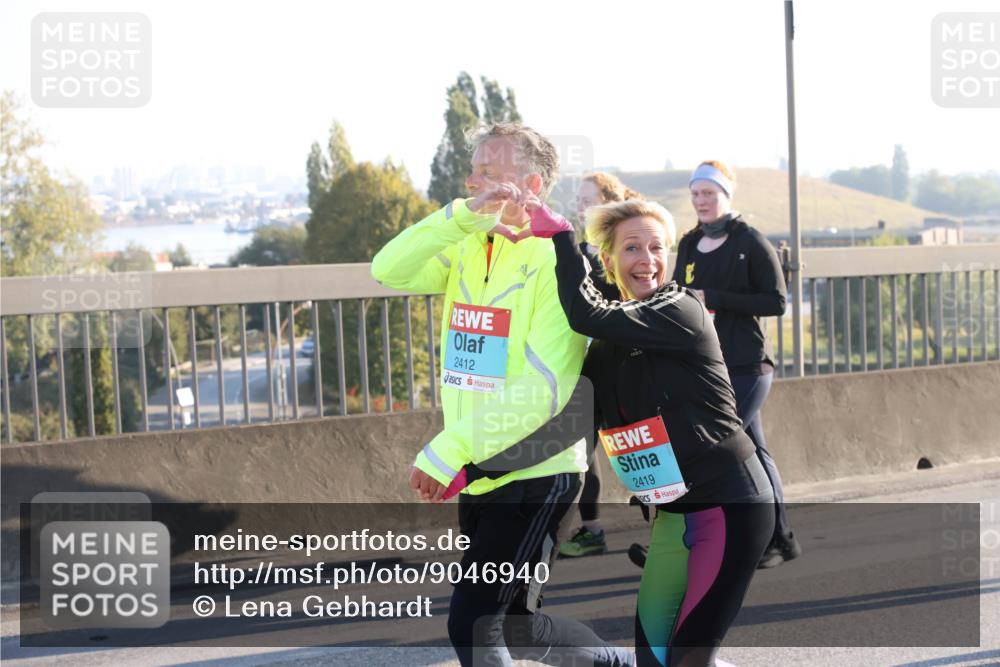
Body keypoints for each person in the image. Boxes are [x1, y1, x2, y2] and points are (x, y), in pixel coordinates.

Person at [370, 123, 632, 667]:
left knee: (474, 623)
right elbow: (388, 269)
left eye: (488, 171)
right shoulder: (470, 243)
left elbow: (543, 387)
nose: (472, 181)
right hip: (482, 464)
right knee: (517, 628)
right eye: (473, 170)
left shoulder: (558, 263)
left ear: (531, 184)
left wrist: (447, 450)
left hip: (536, 467)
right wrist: (461, 216)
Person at [491, 195, 775, 666]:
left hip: (730, 506)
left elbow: (585, 314)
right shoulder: (606, 347)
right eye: (631, 248)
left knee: (685, 660)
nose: (647, 260)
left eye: (657, 247)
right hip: (671, 517)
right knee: (654, 660)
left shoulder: (679, 308)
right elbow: (572, 427)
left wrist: (560, 235)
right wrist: (478, 469)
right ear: (608, 261)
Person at [673, 160, 801, 569]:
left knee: (712, 448)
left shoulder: (751, 241)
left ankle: (693, 542)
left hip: (747, 366)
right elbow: (677, 292)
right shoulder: (690, 243)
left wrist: (714, 297)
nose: (701, 201)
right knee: (755, 452)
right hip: (707, 367)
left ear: (726, 195)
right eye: (696, 193)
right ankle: (780, 540)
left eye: (709, 193)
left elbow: (776, 302)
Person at [559, 172, 639, 558]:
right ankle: (591, 530)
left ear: (607, 203)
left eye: (587, 199)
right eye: (577, 199)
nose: (579, 205)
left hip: (621, 368)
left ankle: (679, 528)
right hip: (585, 368)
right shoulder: (576, 252)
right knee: (582, 449)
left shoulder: (622, 249)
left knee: (639, 449)